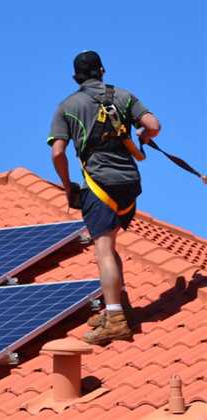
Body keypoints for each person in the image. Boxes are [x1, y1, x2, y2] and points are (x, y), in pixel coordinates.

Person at [47, 51, 161, 345]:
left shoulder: (67, 107)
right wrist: (144, 137)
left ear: (76, 77)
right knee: (110, 243)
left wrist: (67, 187)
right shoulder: (123, 96)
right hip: (130, 183)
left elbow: (58, 153)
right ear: (103, 71)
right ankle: (118, 305)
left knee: (102, 249)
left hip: (100, 185)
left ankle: (116, 320)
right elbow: (154, 125)